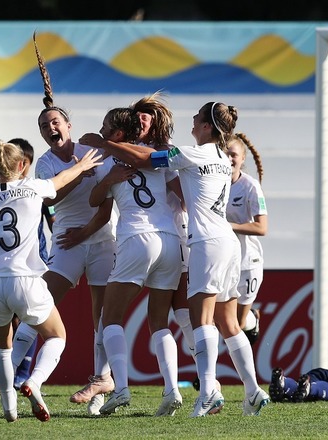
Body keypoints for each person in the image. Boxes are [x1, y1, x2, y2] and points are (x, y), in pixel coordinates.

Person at [79, 101, 270, 417]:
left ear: (207, 126)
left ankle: (208, 391)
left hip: (206, 243)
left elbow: (146, 158)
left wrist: (104, 143)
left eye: (196, 119)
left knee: (202, 320)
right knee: (228, 322)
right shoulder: (223, 157)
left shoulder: (194, 153)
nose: (192, 124)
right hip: (228, 243)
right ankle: (252, 390)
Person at [11, 36, 117, 417]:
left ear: (68, 124)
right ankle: (11, 373)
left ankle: (100, 386)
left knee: (103, 316)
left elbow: (106, 204)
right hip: (67, 244)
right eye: (44, 126)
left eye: (54, 122)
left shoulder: (92, 151)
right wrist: (78, 172)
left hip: (100, 239)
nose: (50, 129)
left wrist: (88, 231)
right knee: (39, 300)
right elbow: (50, 199)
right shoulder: (45, 164)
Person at [0, 139, 103, 422]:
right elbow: (61, 179)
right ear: (21, 165)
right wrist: (84, 165)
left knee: (2, 346)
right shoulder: (32, 187)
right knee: (57, 336)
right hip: (24, 279)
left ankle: (9, 407)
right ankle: (35, 381)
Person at [86, 101, 186, 417]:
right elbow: (180, 193)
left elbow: (93, 200)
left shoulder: (108, 161)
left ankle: (122, 389)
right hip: (170, 240)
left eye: (105, 128)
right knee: (160, 321)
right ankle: (172, 389)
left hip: (135, 238)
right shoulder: (156, 157)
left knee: (109, 318)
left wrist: (107, 174)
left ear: (117, 133)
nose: (101, 133)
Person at [0, 138, 54, 391]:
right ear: (21, 164)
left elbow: (53, 217)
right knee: (33, 321)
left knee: (18, 325)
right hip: (23, 268)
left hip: (22, 262)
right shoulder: (35, 188)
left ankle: (17, 376)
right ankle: (24, 376)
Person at [225, 133, 267, 346]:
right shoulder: (213, 184)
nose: (230, 159)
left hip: (247, 262)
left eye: (234, 155)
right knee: (220, 320)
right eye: (226, 154)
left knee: (238, 323)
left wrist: (229, 226)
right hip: (223, 261)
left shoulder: (250, 186)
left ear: (242, 159)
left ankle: (253, 318)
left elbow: (262, 227)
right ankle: (206, 376)